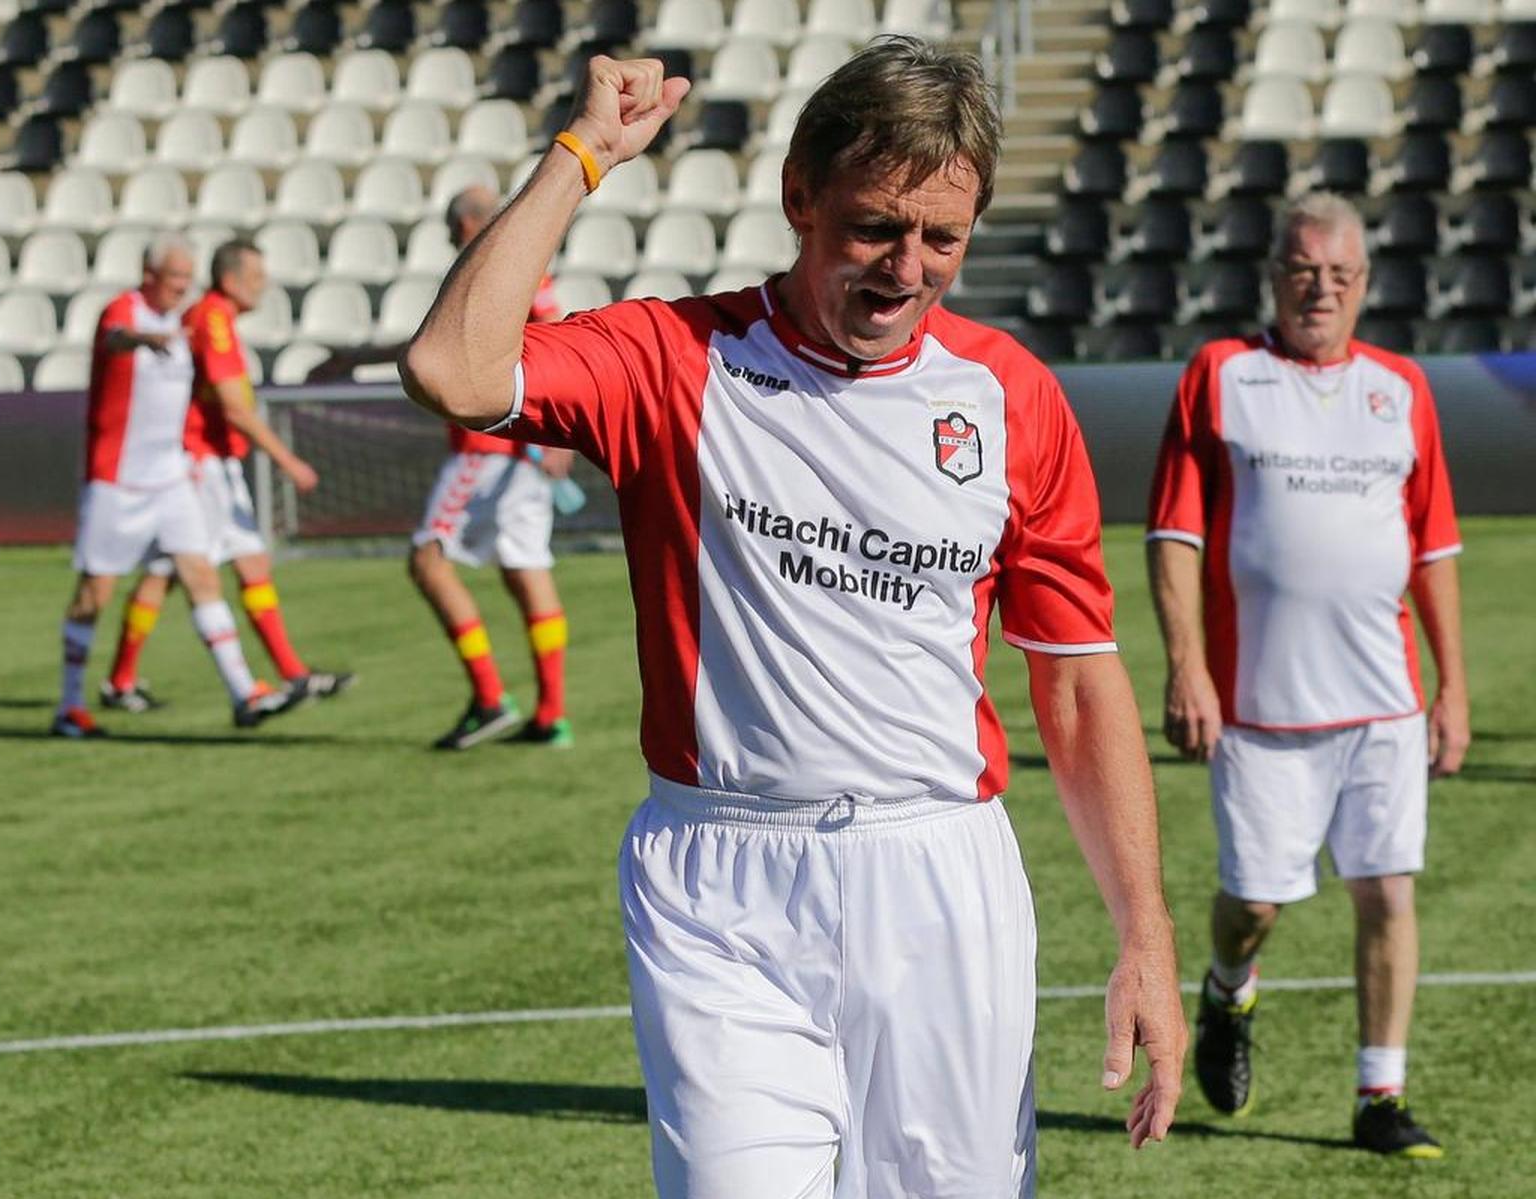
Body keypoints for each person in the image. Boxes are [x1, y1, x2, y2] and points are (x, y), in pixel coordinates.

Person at [400, 41, 1186, 1196]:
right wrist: (582, 157)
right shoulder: (672, 357)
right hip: (720, 879)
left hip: (937, 874)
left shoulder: (1011, 395)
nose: (906, 268)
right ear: (799, 198)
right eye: (875, 227)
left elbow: (1074, 677)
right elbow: (452, 369)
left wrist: (1145, 934)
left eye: (943, 239)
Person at [1146, 192, 1467, 1157]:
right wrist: (1187, 667)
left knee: (1388, 892)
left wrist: (1452, 687)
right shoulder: (1221, 374)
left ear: (1364, 284)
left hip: (1383, 702)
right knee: (1254, 905)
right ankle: (1227, 990)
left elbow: (1435, 548)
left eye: (1339, 273)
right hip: (1257, 706)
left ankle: (1379, 1096)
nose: (1318, 288)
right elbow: (1173, 535)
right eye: (1301, 269)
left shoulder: (1402, 387)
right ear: (1272, 277)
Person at [311, 186, 578, 750]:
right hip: (523, 453)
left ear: (473, 223)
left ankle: (488, 699)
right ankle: (552, 715)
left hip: (486, 451)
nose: (451, 240)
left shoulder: (498, 269)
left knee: (428, 561)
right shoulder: (524, 270)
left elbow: (546, 337)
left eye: (452, 228)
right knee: (526, 573)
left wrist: (559, 430)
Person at [51, 234, 298, 737]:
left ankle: (243, 691)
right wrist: (146, 340)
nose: (182, 289)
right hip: (118, 479)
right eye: (174, 280)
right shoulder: (126, 309)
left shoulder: (183, 319)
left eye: (187, 280)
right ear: (149, 276)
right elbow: (116, 336)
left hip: (170, 476)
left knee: (201, 575)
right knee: (94, 593)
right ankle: (70, 704)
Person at [101, 240, 353, 713]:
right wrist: (287, 460)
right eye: (257, 277)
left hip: (212, 460)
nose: (264, 285)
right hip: (201, 462)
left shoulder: (215, 317)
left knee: (233, 565)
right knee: (180, 571)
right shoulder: (213, 317)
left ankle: (292, 675)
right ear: (233, 279)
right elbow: (234, 406)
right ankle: (134, 681)